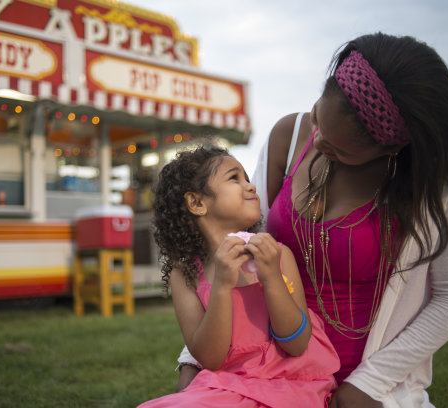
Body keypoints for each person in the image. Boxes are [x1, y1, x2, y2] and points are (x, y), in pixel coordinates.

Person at [176, 32, 448, 407]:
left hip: (369, 382)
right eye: (319, 118)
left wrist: (371, 384)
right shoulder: (288, 137)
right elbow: (230, 251)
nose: (319, 142)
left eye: (338, 149)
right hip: (262, 377)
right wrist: (195, 356)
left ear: (390, 148)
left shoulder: (438, 176)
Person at [138, 146, 339, 407]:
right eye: (234, 178)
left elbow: (297, 344)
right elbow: (211, 358)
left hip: (290, 385)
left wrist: (271, 278)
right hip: (228, 385)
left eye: (247, 178)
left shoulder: (278, 255)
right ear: (197, 203)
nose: (251, 186)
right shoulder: (186, 275)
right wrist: (221, 286)